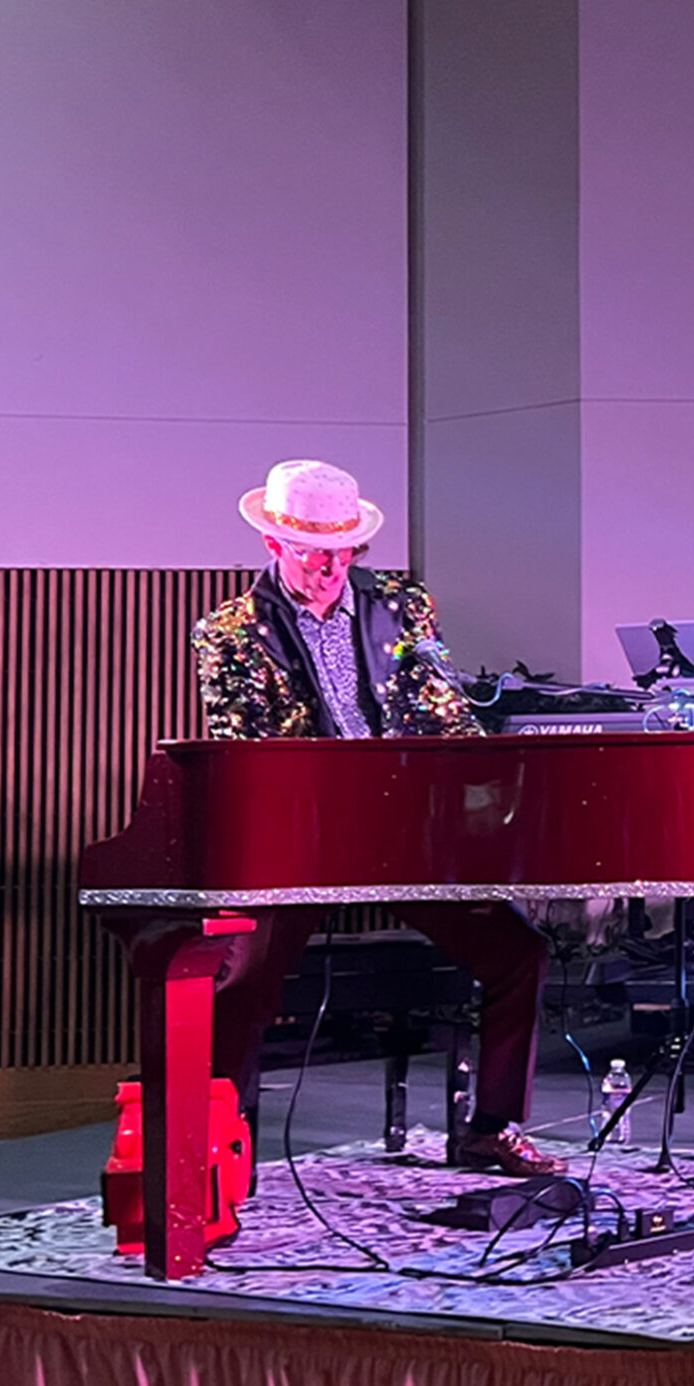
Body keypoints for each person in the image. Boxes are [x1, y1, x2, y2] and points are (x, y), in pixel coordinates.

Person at [192, 460, 558, 1177]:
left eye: (343, 552)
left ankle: (492, 1128)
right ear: (274, 545)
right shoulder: (229, 631)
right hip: (300, 836)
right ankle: (219, 1148)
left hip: (401, 829)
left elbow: (442, 710)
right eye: (312, 554)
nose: (330, 569)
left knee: (519, 952)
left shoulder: (400, 606)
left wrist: (483, 790)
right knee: (241, 978)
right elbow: (246, 748)